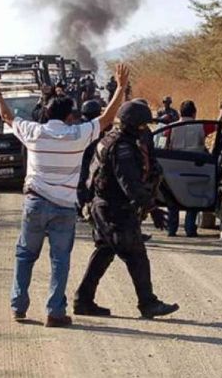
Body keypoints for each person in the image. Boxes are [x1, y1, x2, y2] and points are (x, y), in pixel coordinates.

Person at [0, 64, 130, 328]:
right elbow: (107, 119)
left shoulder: (34, 132)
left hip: (35, 203)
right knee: (60, 261)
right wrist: (120, 87)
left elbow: (6, 117)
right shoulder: (78, 134)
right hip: (64, 208)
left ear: (46, 113)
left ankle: (18, 306)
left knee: (25, 255)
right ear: (70, 115)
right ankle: (55, 312)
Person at [75, 99, 180, 318]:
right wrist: (153, 208)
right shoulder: (122, 147)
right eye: (143, 125)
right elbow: (130, 184)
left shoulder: (112, 139)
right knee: (136, 255)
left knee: (105, 252)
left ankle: (83, 300)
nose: (146, 130)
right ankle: (147, 303)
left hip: (103, 207)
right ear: (134, 125)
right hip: (115, 210)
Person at [165, 100, 222, 237]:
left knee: (173, 199)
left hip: (173, 165)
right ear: (194, 113)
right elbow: (218, 125)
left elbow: (164, 144)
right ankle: (190, 229)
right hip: (195, 166)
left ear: (180, 112)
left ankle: (171, 229)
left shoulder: (170, 127)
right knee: (192, 199)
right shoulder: (200, 126)